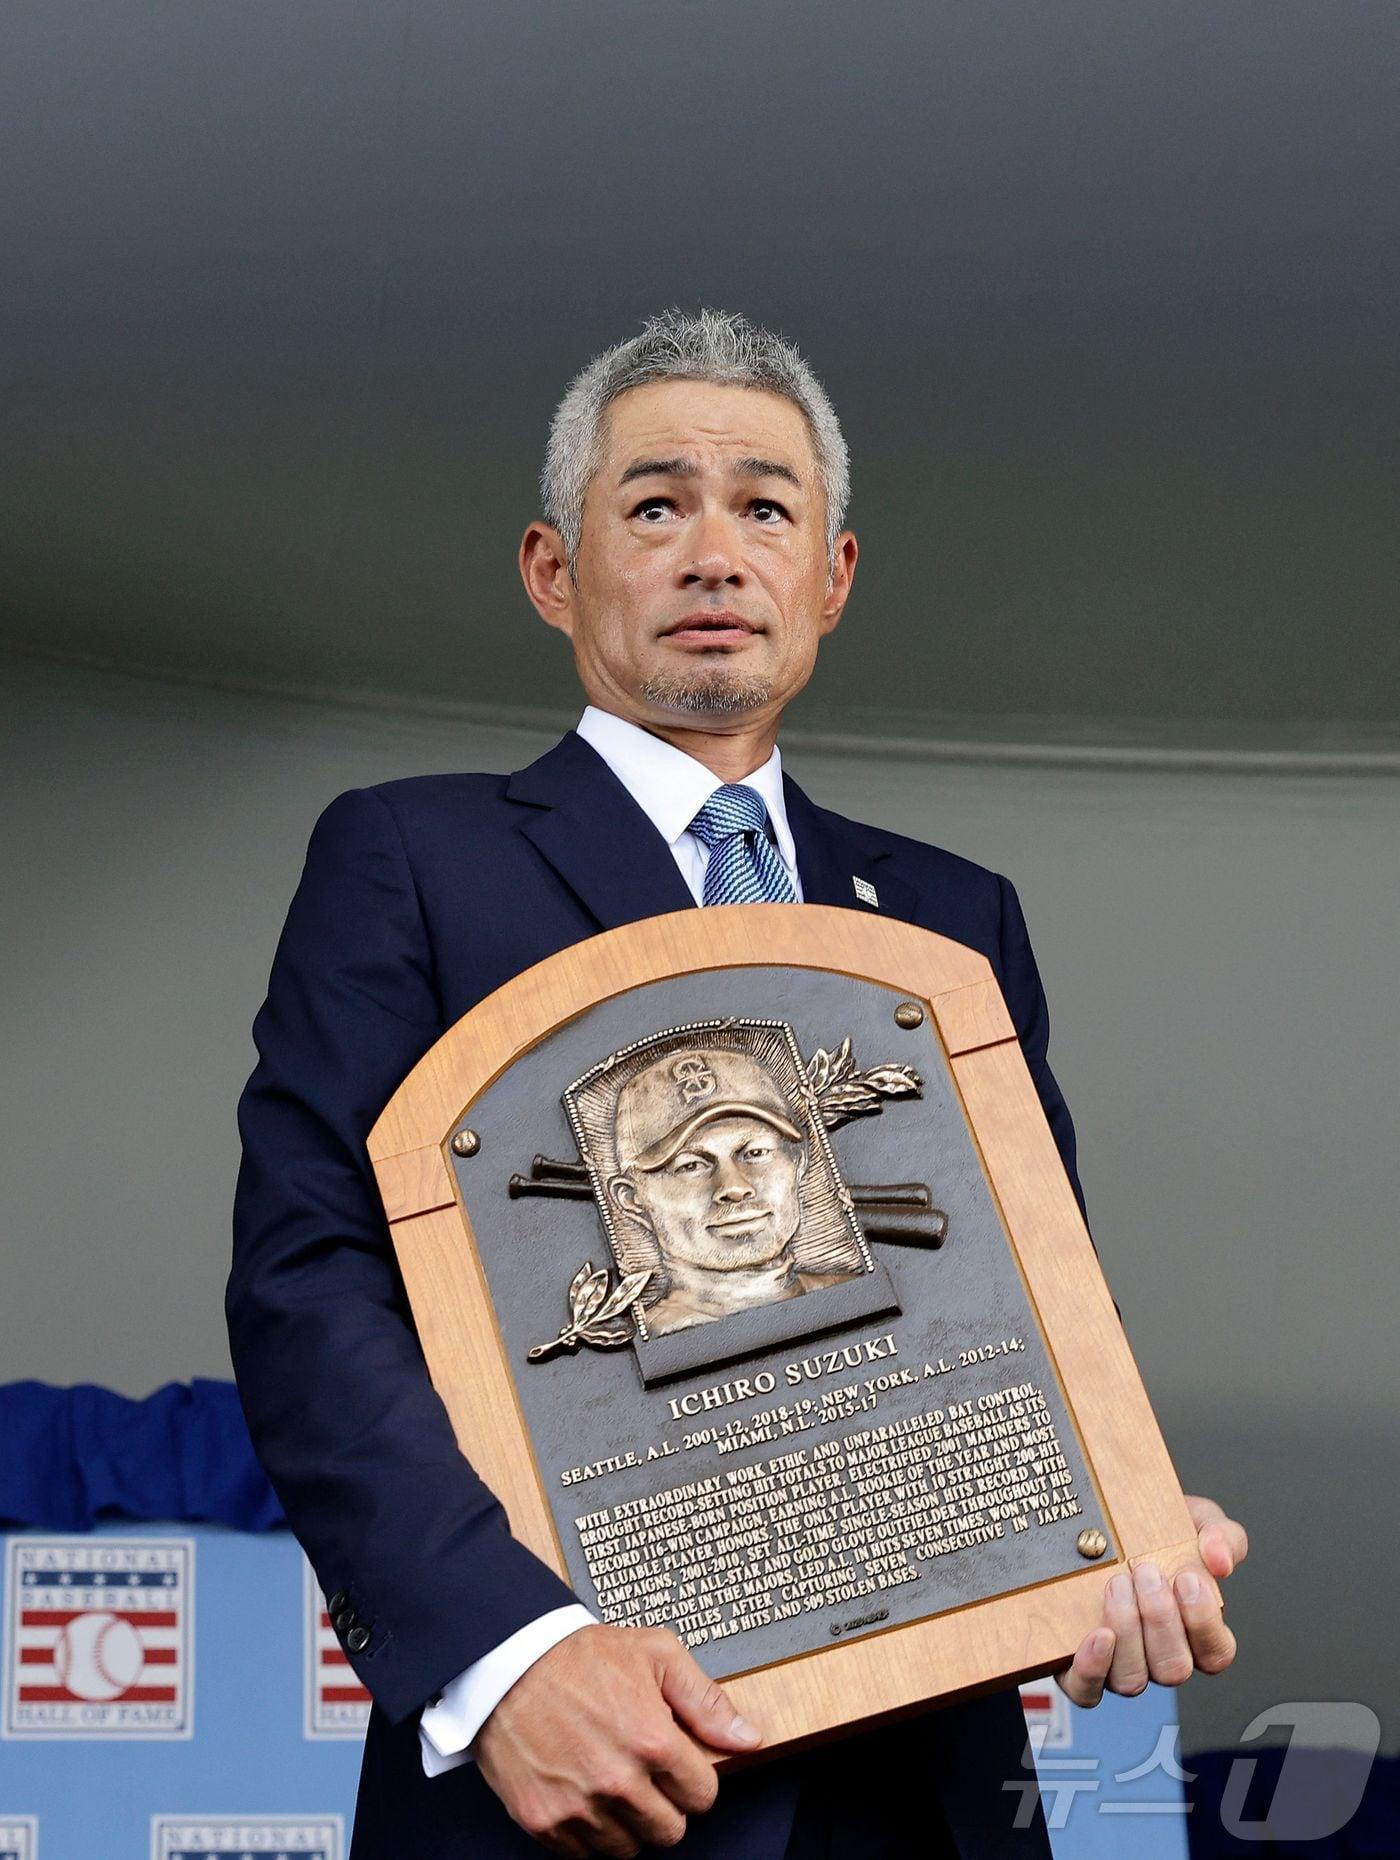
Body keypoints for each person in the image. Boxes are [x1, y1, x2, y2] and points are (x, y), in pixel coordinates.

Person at [227, 307, 1248, 1860]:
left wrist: (1110, 1546)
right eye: (655, 506)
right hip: (583, 1785)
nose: (715, 554)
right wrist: (512, 1664)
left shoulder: (953, 921)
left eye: (765, 507)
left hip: (925, 1802)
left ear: (830, 576)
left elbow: (1015, 1320)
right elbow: (311, 1289)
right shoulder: (409, 860)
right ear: (552, 570)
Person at [606, 1043, 855, 1336]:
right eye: (691, 1166)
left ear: (798, 1163)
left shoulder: (853, 1293)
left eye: (756, 1153)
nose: (735, 1187)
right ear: (633, 1199)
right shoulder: (640, 1339)